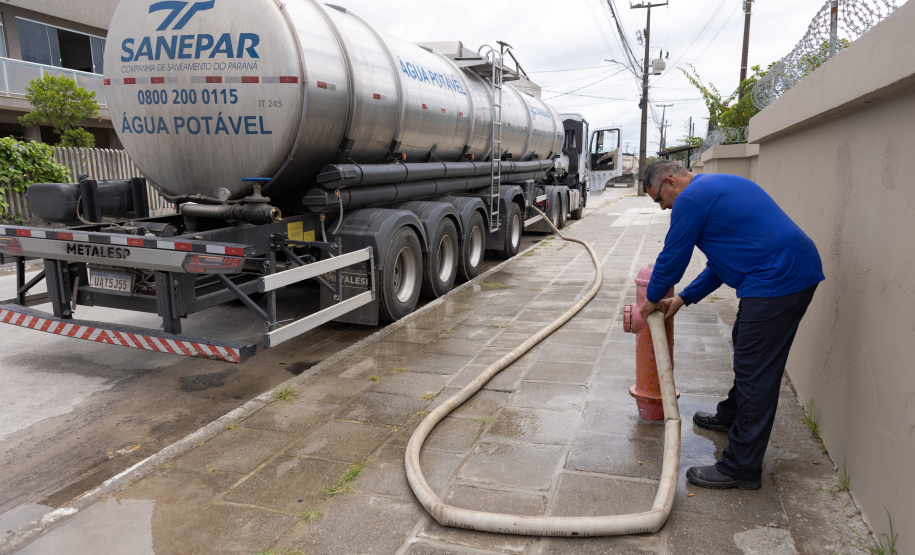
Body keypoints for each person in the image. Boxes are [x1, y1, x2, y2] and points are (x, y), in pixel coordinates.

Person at [638, 160, 824, 490]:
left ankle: (741, 467)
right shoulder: (715, 185)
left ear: (670, 182)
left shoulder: (691, 198)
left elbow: (673, 255)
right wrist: (683, 299)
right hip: (786, 271)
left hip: (778, 278)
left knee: (755, 371)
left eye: (659, 199)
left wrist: (650, 300)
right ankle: (731, 416)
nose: (664, 207)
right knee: (746, 343)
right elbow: (721, 265)